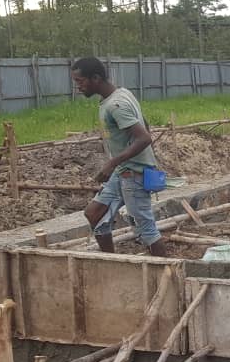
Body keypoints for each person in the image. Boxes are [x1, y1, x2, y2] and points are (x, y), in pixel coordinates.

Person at [72, 57, 168, 257]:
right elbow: (145, 123)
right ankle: (112, 262)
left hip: (133, 174)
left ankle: (169, 274)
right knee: (94, 214)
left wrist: (111, 163)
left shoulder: (116, 105)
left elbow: (144, 137)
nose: (78, 87)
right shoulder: (122, 94)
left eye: (80, 81)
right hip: (124, 170)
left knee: (146, 230)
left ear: (96, 78)